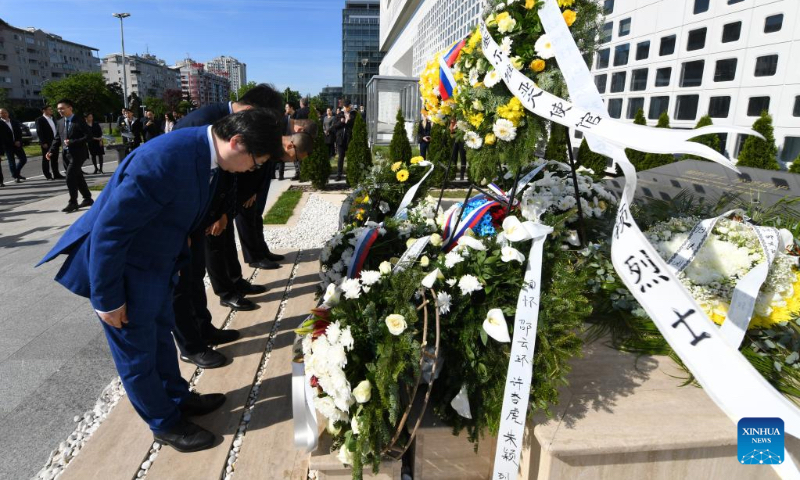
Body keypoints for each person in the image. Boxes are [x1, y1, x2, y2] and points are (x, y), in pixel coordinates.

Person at [37, 108, 284, 453]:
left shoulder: (205, 154)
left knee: (160, 340)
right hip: (123, 272)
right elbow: (111, 230)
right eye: (256, 161)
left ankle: (177, 399)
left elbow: (177, 214)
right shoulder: (167, 157)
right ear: (237, 142)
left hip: (156, 264)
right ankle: (164, 423)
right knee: (137, 354)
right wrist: (107, 299)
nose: (253, 169)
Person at [171, 84, 286, 369]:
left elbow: (229, 176)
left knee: (196, 275)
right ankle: (190, 345)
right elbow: (178, 182)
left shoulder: (234, 126)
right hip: (184, 217)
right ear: (250, 111)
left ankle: (204, 329)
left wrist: (223, 211)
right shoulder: (199, 123)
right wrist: (182, 229)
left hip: (207, 211)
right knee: (181, 283)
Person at [46, 100, 93, 213]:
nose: (60, 111)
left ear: (70, 108)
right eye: (58, 109)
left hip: (78, 153)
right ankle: (87, 198)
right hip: (66, 154)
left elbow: (89, 136)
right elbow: (58, 138)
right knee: (78, 176)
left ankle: (73, 202)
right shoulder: (60, 122)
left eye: (62, 108)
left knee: (70, 176)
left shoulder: (79, 121)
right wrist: (51, 151)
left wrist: (73, 141)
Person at [36, 105, 65, 180]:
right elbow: (39, 132)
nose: (51, 111)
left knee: (55, 159)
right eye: (49, 110)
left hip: (54, 142)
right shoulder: (40, 119)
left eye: (51, 109)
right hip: (46, 142)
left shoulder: (53, 118)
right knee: (46, 159)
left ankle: (56, 174)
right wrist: (43, 142)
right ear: (44, 111)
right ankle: (48, 175)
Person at [0, 108, 28, 183]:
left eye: (4, 112)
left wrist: (18, 140)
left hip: (17, 144)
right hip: (8, 146)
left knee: (23, 159)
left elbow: (19, 132)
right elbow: (2, 136)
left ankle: (16, 174)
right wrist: (12, 143)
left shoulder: (14, 122)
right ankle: (16, 176)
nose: (3, 114)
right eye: (1, 113)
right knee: (11, 162)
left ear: (7, 113)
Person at [333, 101, 355, 181]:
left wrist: (348, 120)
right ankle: (339, 174)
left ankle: (350, 174)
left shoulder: (353, 114)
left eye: (348, 106)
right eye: (345, 107)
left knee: (350, 157)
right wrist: (341, 122)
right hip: (340, 139)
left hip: (349, 139)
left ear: (350, 106)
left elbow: (355, 125)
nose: (346, 108)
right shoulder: (339, 114)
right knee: (340, 157)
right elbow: (335, 125)